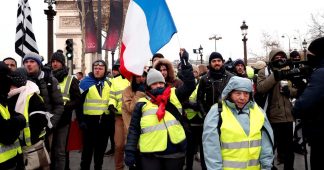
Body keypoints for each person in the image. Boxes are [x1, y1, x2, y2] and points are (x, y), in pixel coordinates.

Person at [125, 50, 196, 170]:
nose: (158, 85)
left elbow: (190, 85)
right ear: (148, 86)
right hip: (151, 154)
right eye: (154, 83)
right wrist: (130, 151)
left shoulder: (174, 94)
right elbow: (134, 130)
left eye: (160, 83)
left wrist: (185, 62)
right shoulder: (142, 103)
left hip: (174, 152)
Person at [203, 76, 274, 170]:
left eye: (246, 93)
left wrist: (266, 167)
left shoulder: (258, 112)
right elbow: (211, 147)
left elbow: (266, 144)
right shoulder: (217, 112)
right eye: (238, 93)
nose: (242, 98)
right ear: (230, 93)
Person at [257, 49, 297, 170]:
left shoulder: (289, 70)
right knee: (269, 149)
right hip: (272, 118)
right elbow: (261, 88)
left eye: (282, 57)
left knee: (289, 151)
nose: (280, 59)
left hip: (289, 117)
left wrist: (289, 91)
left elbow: (297, 91)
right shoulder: (264, 72)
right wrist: (275, 75)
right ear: (272, 59)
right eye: (277, 57)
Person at [7, 68, 50, 170]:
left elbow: (39, 122)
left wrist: (28, 140)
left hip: (31, 147)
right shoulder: (9, 96)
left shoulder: (32, 96)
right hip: (17, 147)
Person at [292, 37, 324, 170]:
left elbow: (302, 105)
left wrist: (295, 106)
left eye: (310, 55)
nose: (308, 58)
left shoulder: (321, 73)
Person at [23, 52, 64, 153]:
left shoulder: (50, 80)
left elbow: (59, 105)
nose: (29, 64)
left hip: (46, 129)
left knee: (44, 160)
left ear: (39, 64)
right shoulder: (21, 81)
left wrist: (51, 124)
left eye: (32, 61)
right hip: (26, 129)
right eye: (26, 62)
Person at [78, 60, 111, 170]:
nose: (97, 70)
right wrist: (81, 121)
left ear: (105, 70)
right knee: (87, 152)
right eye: (95, 68)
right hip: (89, 122)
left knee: (100, 152)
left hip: (104, 123)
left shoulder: (109, 83)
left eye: (100, 69)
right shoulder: (84, 83)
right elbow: (79, 104)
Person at [50, 51, 81, 170]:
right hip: (50, 119)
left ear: (62, 63)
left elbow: (78, 99)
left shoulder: (70, 79)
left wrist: (66, 106)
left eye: (57, 61)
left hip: (63, 120)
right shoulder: (48, 77)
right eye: (53, 61)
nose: (55, 64)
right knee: (51, 150)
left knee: (61, 151)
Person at [0, 62, 26, 170]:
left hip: (12, 160)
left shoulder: (3, 100)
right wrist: (20, 121)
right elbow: (6, 135)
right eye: (7, 78)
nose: (10, 83)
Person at [197, 52, 233, 117]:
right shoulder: (204, 79)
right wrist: (204, 114)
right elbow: (199, 100)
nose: (216, 63)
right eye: (214, 61)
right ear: (210, 63)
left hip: (228, 115)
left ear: (222, 62)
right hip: (210, 114)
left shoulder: (231, 77)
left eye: (219, 61)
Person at [108, 59, 130, 170]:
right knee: (119, 145)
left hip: (133, 117)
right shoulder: (115, 81)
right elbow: (112, 96)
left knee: (133, 145)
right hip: (119, 117)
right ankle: (119, 167)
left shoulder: (135, 79)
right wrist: (111, 104)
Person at [183, 64, 204, 170]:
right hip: (189, 120)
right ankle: (189, 167)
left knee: (203, 147)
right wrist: (192, 105)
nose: (193, 73)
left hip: (201, 119)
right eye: (192, 72)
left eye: (195, 72)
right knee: (190, 149)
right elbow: (183, 100)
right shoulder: (184, 85)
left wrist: (199, 106)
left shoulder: (202, 82)